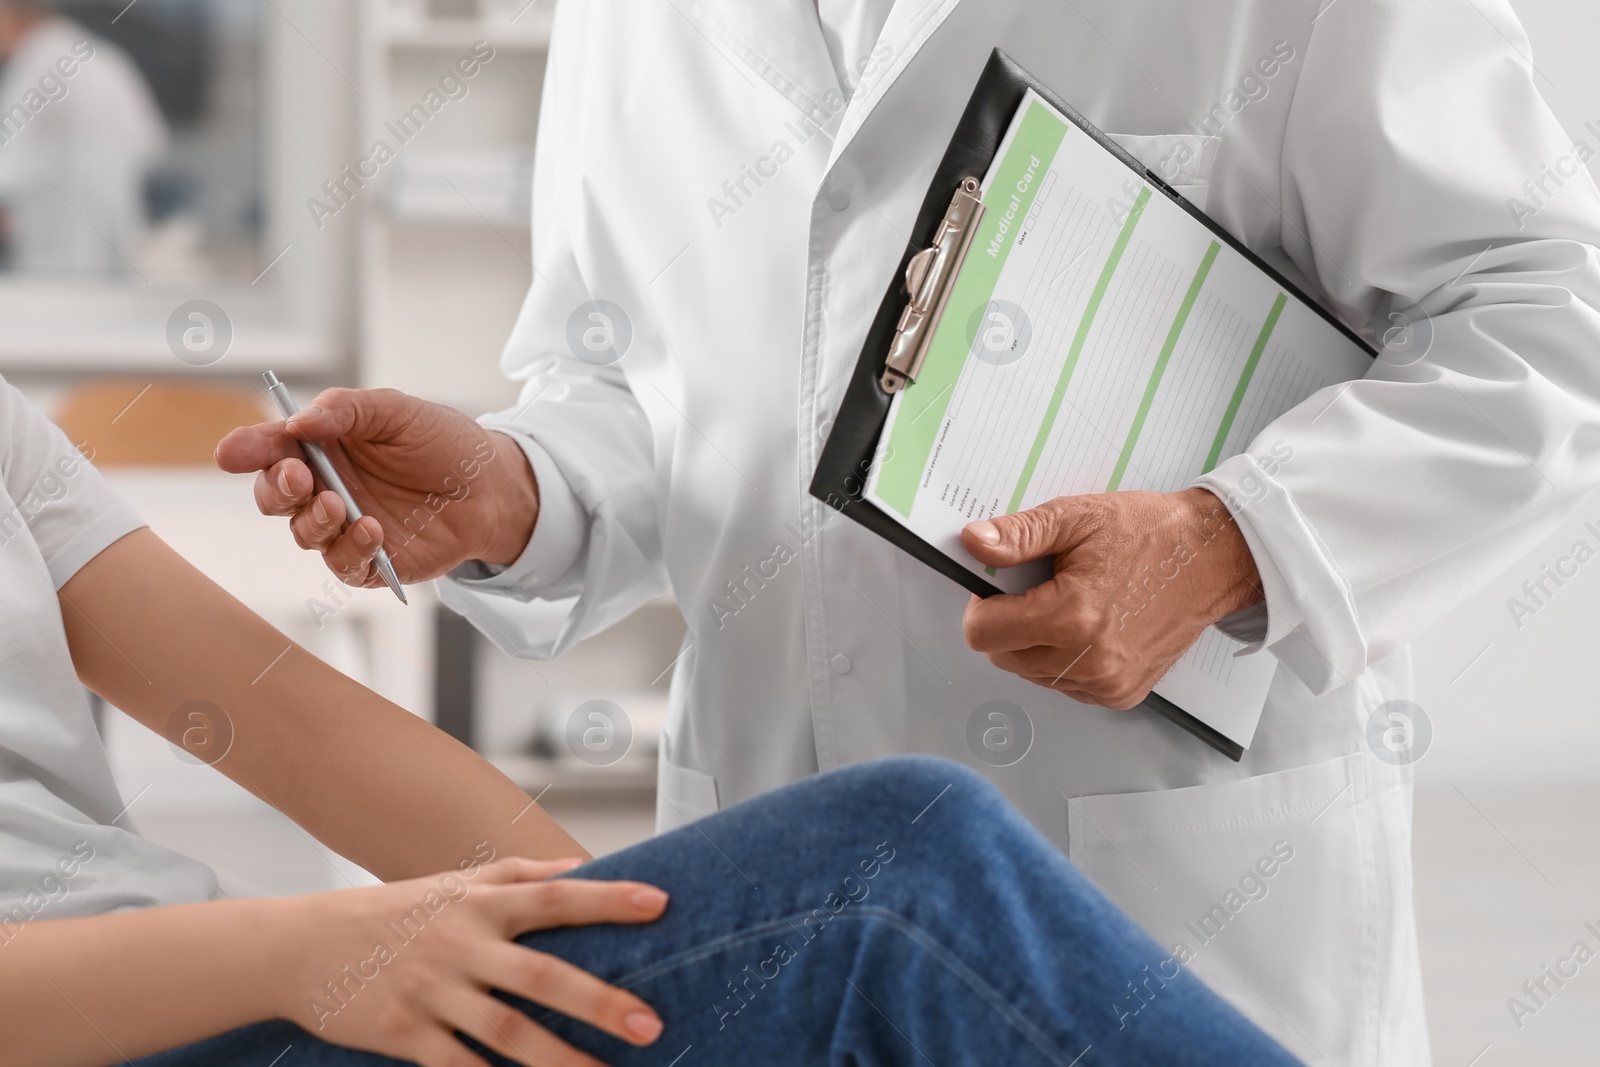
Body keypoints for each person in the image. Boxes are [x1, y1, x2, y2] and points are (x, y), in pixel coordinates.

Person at [216, 1, 1600, 1061]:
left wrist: (1237, 537)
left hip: (1166, 878)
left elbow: (1548, 313)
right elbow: (652, 388)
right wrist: (520, 491)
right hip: (778, 865)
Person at [0, 375, 1301, 1066]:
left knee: (837, 932)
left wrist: (653, 969)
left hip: (224, 1013)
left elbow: (294, 726)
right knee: (890, 880)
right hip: (153, 1019)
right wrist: (305, 948)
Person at [0, 0, 167, 276]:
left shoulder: (37, 63)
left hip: (56, 238)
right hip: (110, 228)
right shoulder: (101, 57)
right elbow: (149, 143)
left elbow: (10, 163)